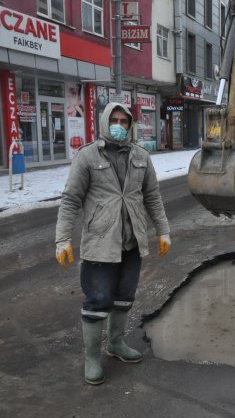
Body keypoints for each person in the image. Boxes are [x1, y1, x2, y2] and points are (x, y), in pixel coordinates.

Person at [55, 102, 171, 385]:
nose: (119, 125)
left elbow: (152, 197)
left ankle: (115, 344)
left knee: (124, 297)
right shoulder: (87, 156)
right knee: (98, 301)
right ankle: (92, 358)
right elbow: (71, 200)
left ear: (130, 125)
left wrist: (163, 231)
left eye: (125, 121)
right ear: (105, 122)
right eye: (114, 120)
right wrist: (62, 239)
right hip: (100, 243)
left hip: (132, 242)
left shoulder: (141, 156)